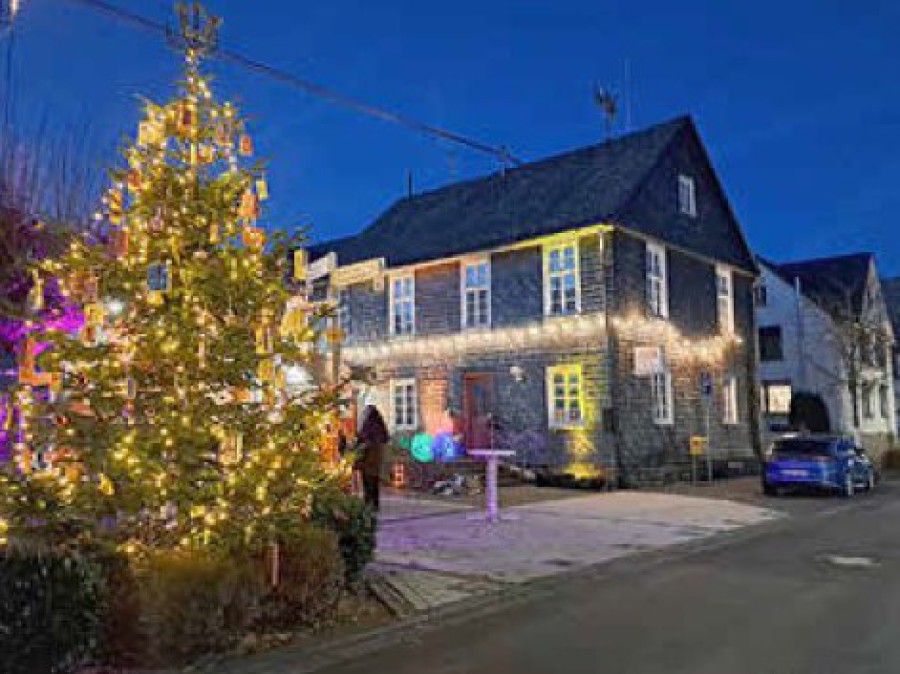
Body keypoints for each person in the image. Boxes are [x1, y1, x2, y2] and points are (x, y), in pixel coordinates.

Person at [356, 405, 389, 511]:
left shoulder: (368, 426)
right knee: (373, 480)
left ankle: (369, 502)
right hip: (375, 457)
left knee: (368, 480)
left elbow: (363, 439)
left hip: (369, 457)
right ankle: (374, 503)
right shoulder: (379, 425)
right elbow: (385, 438)